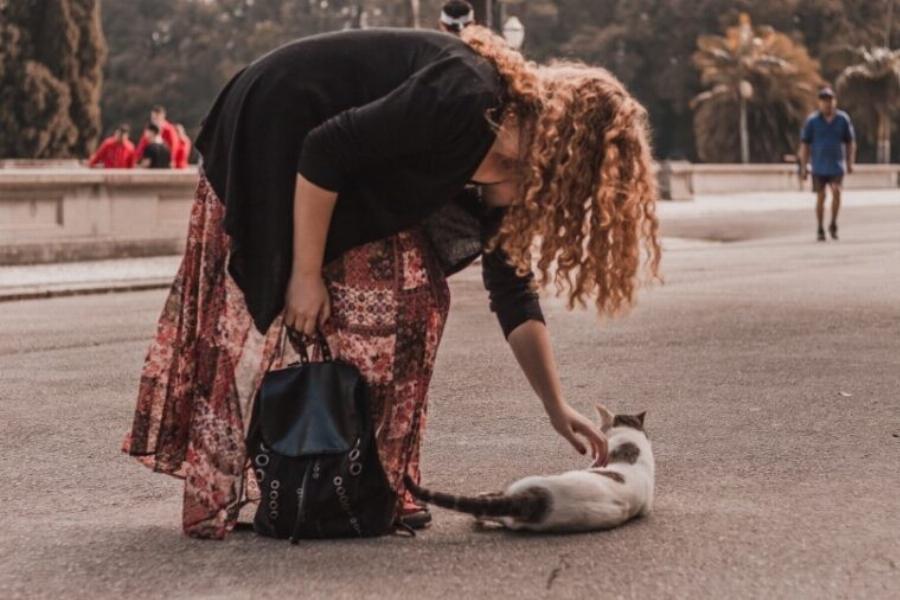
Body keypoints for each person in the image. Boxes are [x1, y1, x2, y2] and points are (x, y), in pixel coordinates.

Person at [123, 27, 660, 539]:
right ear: (567, 155)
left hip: (330, 159)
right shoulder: (468, 99)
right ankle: (340, 481)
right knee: (401, 301)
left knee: (418, 298)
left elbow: (512, 289)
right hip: (276, 120)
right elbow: (325, 150)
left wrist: (554, 405)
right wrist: (305, 276)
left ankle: (364, 484)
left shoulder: (513, 168)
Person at [799, 87, 856, 241]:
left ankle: (833, 223)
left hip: (836, 165)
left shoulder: (843, 119)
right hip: (818, 166)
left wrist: (850, 162)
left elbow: (850, 142)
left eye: (830, 100)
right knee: (821, 196)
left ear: (834, 101)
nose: (827, 104)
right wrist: (804, 167)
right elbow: (805, 145)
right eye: (824, 101)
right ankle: (820, 227)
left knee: (837, 192)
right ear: (820, 103)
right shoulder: (812, 121)